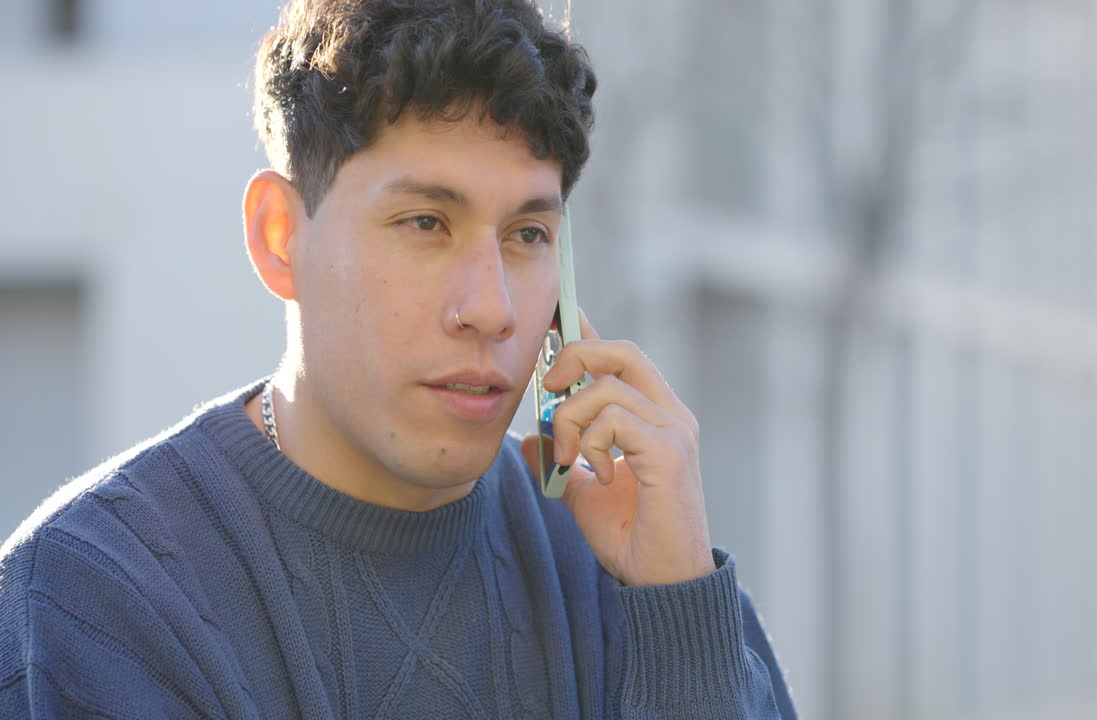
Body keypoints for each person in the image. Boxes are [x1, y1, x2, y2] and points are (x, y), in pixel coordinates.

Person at [0, 0, 797, 718]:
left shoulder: (622, 558)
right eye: (425, 223)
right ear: (281, 237)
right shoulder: (97, 596)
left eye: (528, 235)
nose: (490, 307)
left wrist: (678, 608)